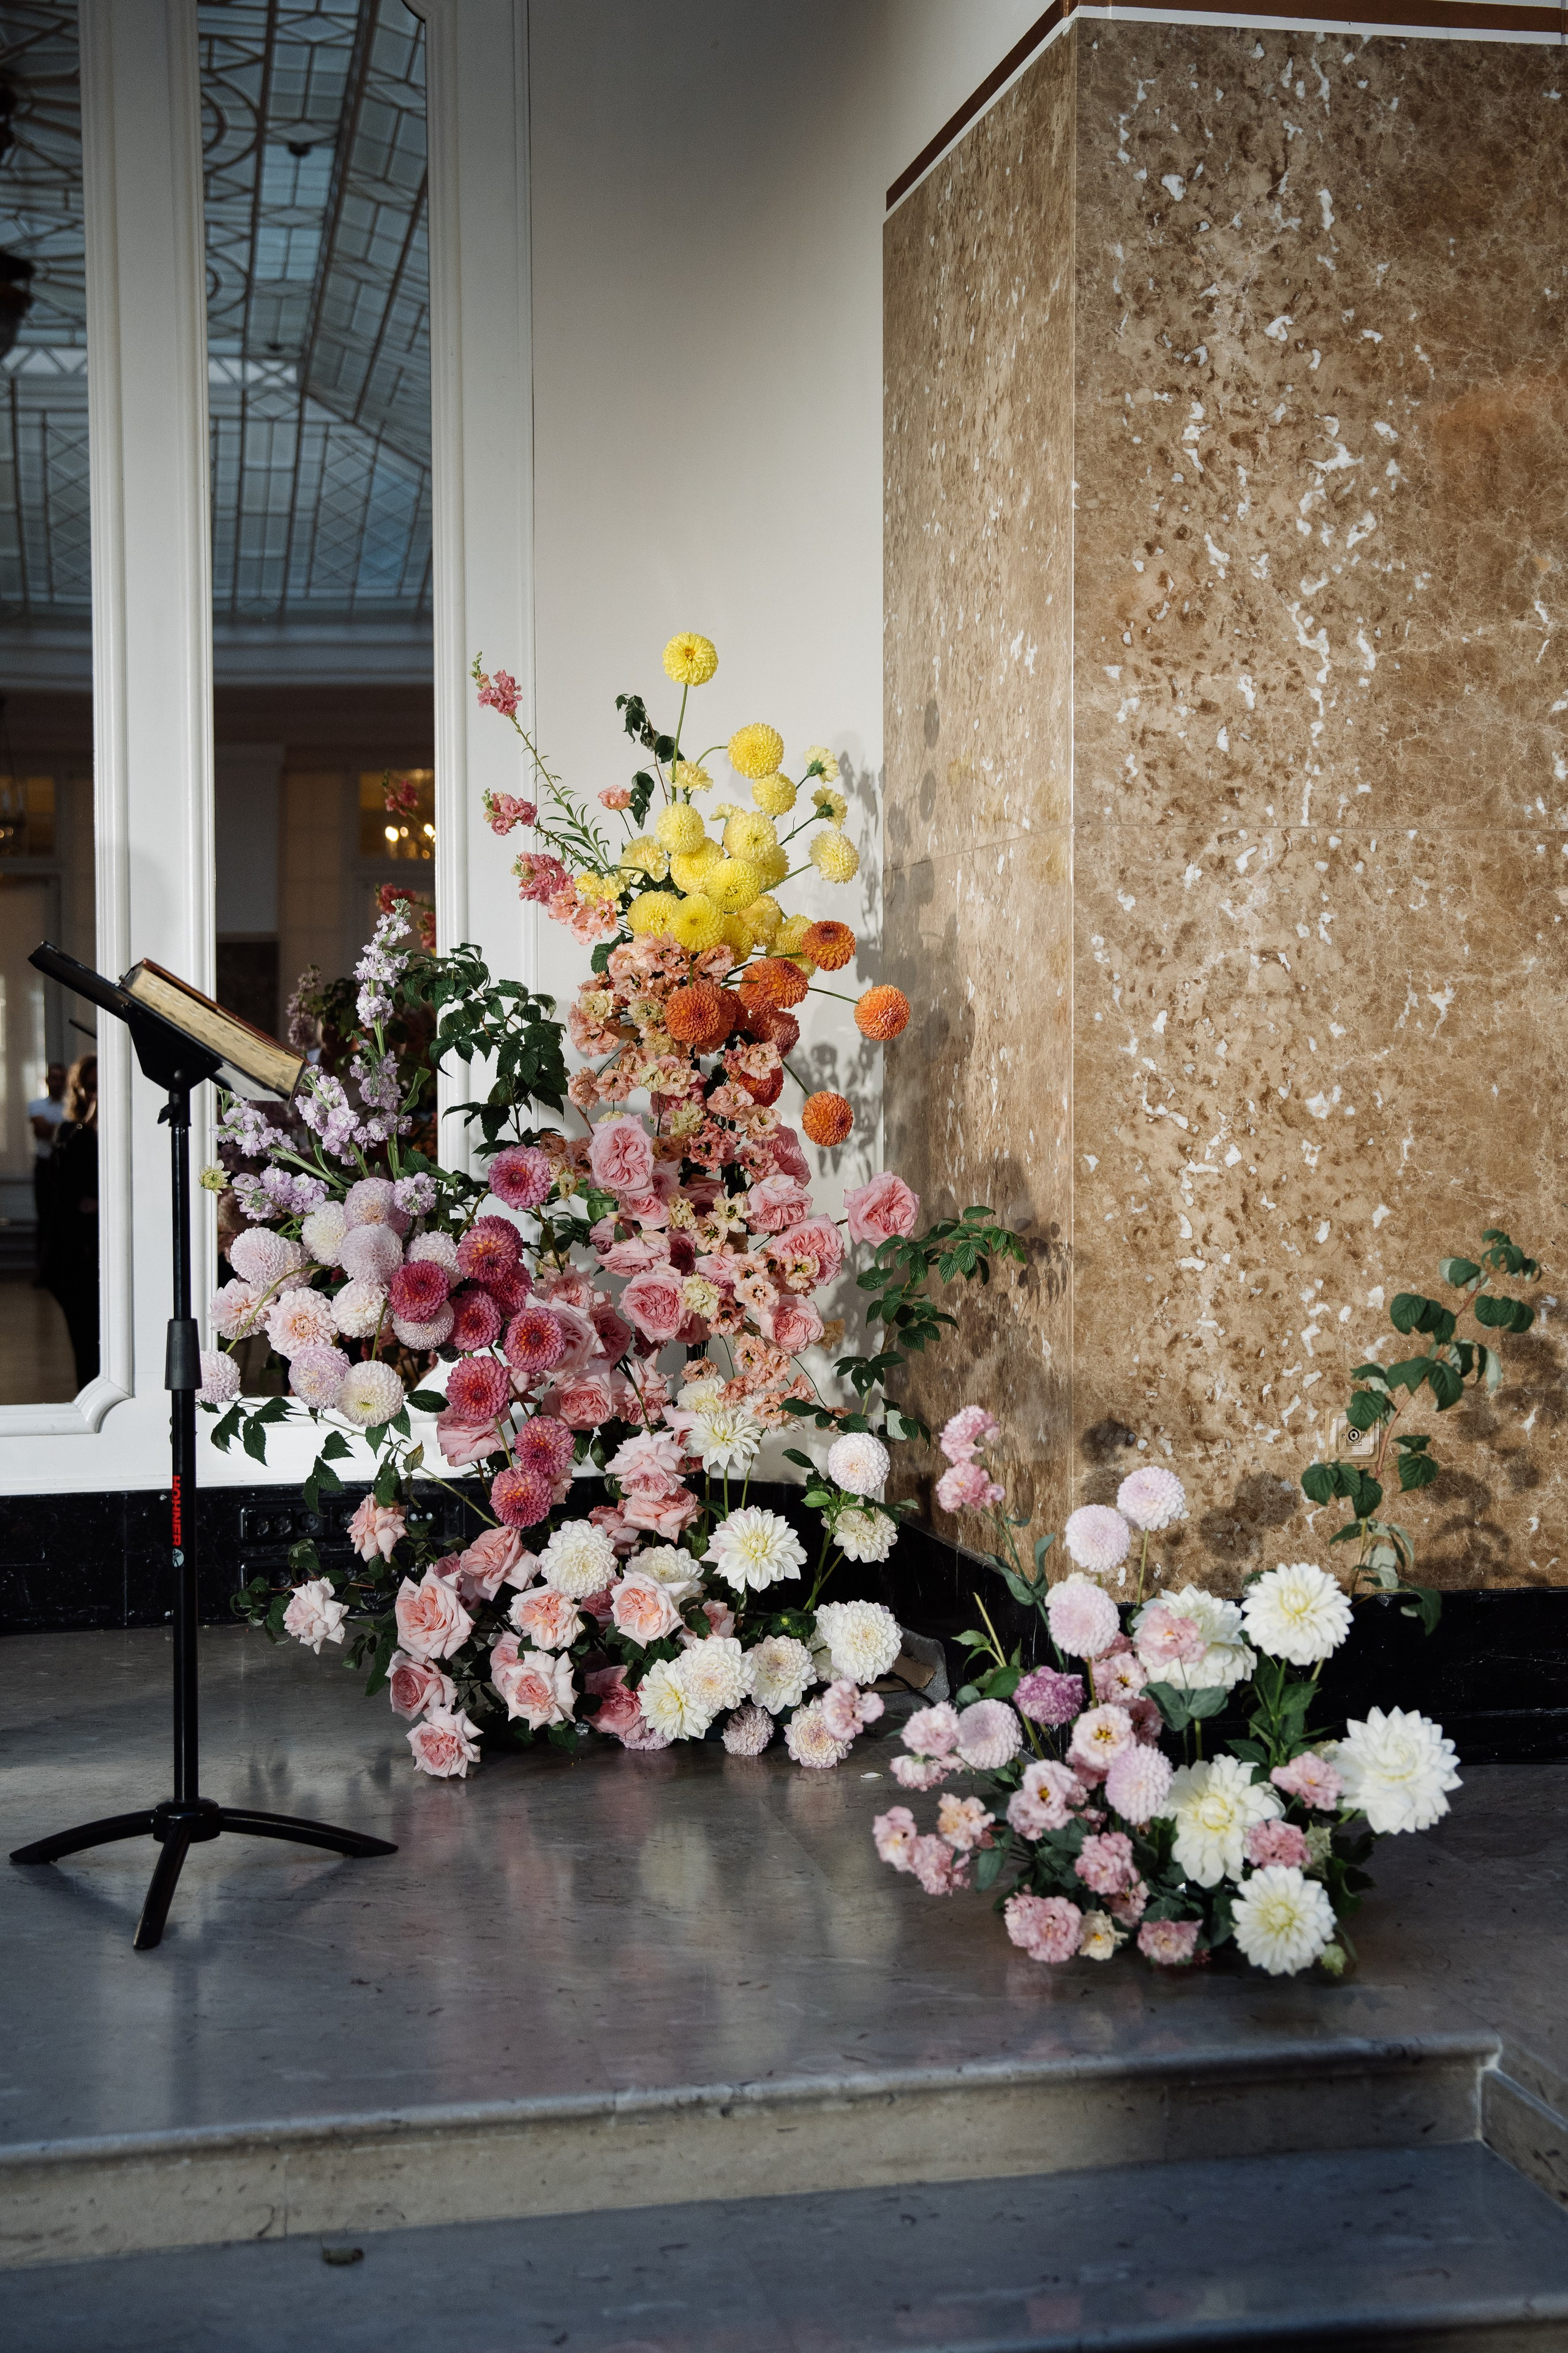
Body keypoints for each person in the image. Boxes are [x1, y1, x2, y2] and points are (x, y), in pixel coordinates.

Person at [43, 1054, 98, 1389]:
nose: (97, 1094)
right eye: (91, 1088)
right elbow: (64, 1182)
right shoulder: (70, 1131)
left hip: (101, 1247)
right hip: (74, 1252)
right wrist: (91, 1118)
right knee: (85, 1337)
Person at [27, 1059, 66, 1282]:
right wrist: (62, 1127)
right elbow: (42, 1132)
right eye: (55, 1078)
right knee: (44, 1219)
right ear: (47, 1080)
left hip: (64, 1168)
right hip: (45, 1166)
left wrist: (55, 1128)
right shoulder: (37, 1105)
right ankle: (43, 1271)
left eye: (62, 1079)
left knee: (62, 1218)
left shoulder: (70, 1106)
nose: (58, 1083)